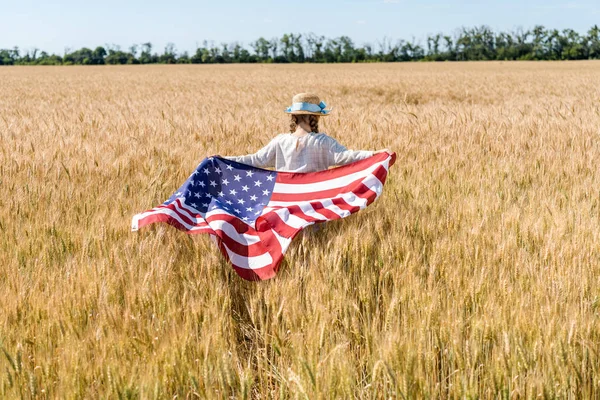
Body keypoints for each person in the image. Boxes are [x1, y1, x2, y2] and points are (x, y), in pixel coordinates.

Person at [223, 93, 390, 172]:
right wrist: (374, 153)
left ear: (293, 116)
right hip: (313, 200)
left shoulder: (280, 141)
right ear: (316, 117)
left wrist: (223, 160)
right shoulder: (324, 142)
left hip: (285, 200)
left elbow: (255, 159)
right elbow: (347, 156)